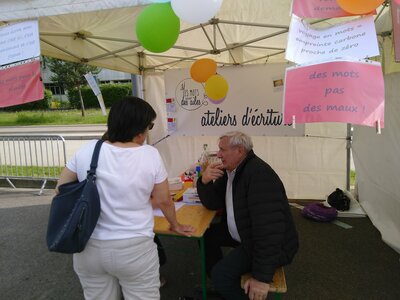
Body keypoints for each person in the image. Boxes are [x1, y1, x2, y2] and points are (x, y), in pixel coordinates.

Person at [56, 96, 195, 300]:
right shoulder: (149, 155)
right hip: (134, 248)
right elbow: (164, 200)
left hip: (88, 246)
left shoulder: (88, 150)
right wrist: (175, 224)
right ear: (139, 129)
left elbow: (61, 190)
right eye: (149, 125)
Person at [196, 131, 299, 300]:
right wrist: (204, 181)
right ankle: (225, 285)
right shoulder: (232, 170)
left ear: (239, 151)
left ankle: (224, 281)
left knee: (221, 275)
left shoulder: (259, 175)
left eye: (222, 150)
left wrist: (261, 278)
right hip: (244, 233)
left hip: (268, 244)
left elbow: (270, 231)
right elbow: (213, 203)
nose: (218, 154)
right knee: (207, 236)